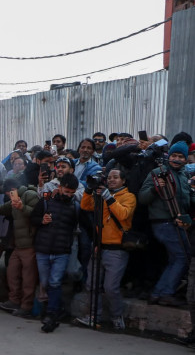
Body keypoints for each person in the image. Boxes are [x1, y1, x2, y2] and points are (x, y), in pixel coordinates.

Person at [138, 141, 195, 307]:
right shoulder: (158, 173)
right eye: (174, 156)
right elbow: (142, 198)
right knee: (182, 257)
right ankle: (166, 293)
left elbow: (189, 200)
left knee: (175, 258)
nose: (176, 159)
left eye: (180, 157)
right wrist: (156, 188)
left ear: (185, 160)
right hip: (164, 221)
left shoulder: (184, 176)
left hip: (179, 222)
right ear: (168, 156)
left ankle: (158, 292)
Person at [81, 169, 137, 330]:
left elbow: (123, 214)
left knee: (110, 287)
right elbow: (85, 206)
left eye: (116, 177)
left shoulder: (129, 197)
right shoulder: (101, 195)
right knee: (92, 284)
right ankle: (94, 316)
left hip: (117, 249)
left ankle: (117, 316)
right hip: (99, 246)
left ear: (123, 181)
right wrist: (88, 189)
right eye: (109, 178)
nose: (111, 180)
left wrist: (108, 197)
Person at [0, 178, 40, 317]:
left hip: (29, 245)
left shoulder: (29, 195)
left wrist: (23, 207)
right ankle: (14, 301)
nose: (8, 196)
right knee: (12, 272)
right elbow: (4, 208)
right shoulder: (15, 199)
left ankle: (26, 306)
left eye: (8, 193)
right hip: (18, 245)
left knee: (28, 278)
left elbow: (38, 214)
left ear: (12, 190)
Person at [31, 173, 80, 333]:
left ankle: (51, 315)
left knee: (55, 282)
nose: (68, 195)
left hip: (62, 251)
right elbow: (33, 218)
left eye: (72, 193)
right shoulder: (45, 201)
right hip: (43, 250)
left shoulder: (75, 206)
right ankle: (51, 311)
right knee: (45, 282)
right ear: (59, 187)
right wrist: (41, 220)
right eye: (66, 191)